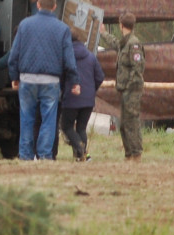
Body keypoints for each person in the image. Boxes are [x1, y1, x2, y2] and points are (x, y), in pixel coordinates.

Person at [7, 0, 80, 160]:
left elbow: (13, 56)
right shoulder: (62, 29)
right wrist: (74, 81)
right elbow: (69, 60)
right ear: (54, 8)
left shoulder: (24, 25)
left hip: (27, 79)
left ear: (38, 5)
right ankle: (45, 155)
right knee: (48, 119)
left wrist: (14, 77)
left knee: (26, 119)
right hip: (51, 81)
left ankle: (25, 156)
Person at [104, 12, 145, 161]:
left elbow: (137, 68)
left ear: (121, 25)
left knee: (131, 122)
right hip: (125, 89)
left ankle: (136, 154)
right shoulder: (125, 42)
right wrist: (103, 33)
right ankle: (129, 154)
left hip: (132, 89)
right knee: (124, 124)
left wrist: (128, 86)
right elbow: (116, 44)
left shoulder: (133, 44)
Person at [60, 29, 104, 162]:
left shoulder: (65, 56)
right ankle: (81, 157)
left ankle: (81, 149)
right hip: (88, 100)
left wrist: (62, 90)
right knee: (81, 128)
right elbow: (100, 76)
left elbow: (62, 77)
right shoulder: (91, 56)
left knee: (66, 126)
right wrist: (91, 90)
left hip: (71, 97)